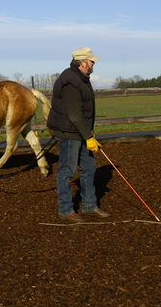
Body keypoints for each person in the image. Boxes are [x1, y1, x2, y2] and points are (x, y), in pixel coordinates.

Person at [47, 47, 110, 222]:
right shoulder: (70, 82)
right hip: (69, 132)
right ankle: (66, 210)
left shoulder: (82, 78)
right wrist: (88, 136)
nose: (93, 63)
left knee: (89, 167)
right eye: (91, 61)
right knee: (67, 170)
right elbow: (74, 114)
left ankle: (90, 205)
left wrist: (89, 134)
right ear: (82, 63)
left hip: (81, 131)